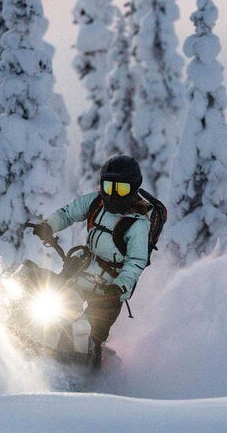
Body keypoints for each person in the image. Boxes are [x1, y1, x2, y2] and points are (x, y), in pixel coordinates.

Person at [32, 155, 152, 365]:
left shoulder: (137, 224)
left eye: (121, 189)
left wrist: (118, 288)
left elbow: (135, 262)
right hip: (82, 270)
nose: (113, 194)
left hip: (110, 289)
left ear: (132, 190)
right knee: (48, 299)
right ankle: (29, 337)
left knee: (88, 334)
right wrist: (49, 226)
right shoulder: (96, 202)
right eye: (108, 186)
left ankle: (87, 371)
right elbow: (68, 213)